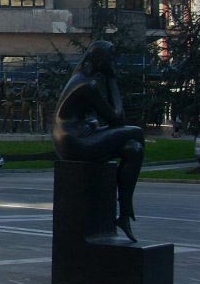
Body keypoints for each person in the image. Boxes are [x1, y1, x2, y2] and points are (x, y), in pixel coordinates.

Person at [53, 40, 145, 242]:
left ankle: (123, 215)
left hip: (76, 137)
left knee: (133, 149)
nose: (114, 63)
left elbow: (95, 118)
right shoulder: (88, 84)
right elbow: (117, 118)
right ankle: (126, 207)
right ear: (102, 60)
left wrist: (92, 123)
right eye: (111, 59)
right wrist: (112, 79)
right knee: (136, 133)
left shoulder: (81, 79)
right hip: (74, 143)